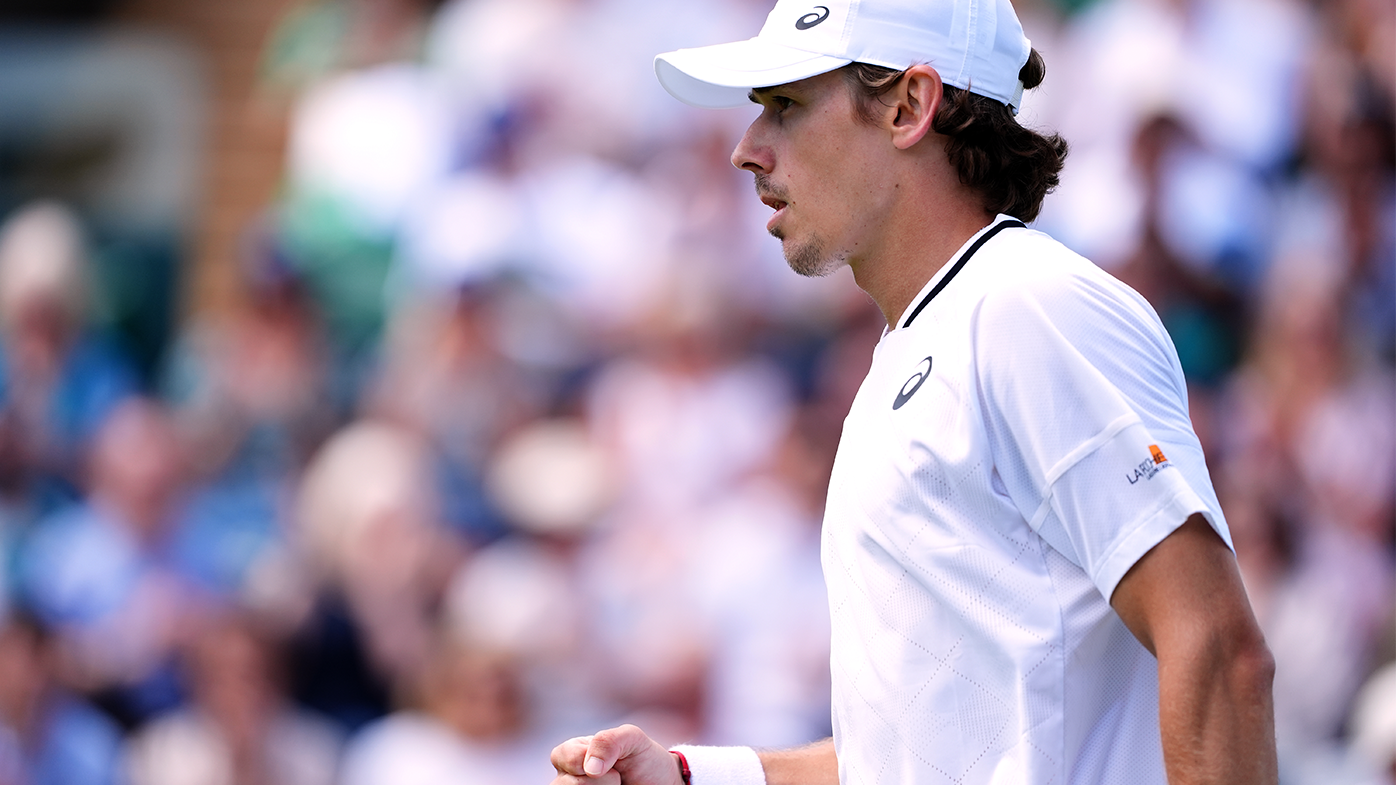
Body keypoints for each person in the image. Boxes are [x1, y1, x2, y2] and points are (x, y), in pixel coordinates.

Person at [550, 0, 1278, 784]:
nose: (746, 151)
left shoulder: (1024, 306)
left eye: (785, 105)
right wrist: (691, 774)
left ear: (908, 107)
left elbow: (1218, 651)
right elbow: (914, 755)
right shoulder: (923, 348)